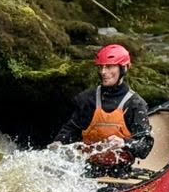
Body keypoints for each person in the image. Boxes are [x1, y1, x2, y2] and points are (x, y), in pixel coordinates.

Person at [51, 44, 154, 178]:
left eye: (109, 66)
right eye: (101, 67)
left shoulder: (135, 104)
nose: (103, 72)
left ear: (124, 68)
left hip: (120, 172)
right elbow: (71, 130)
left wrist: (124, 143)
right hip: (88, 170)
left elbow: (145, 146)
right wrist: (57, 145)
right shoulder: (88, 99)